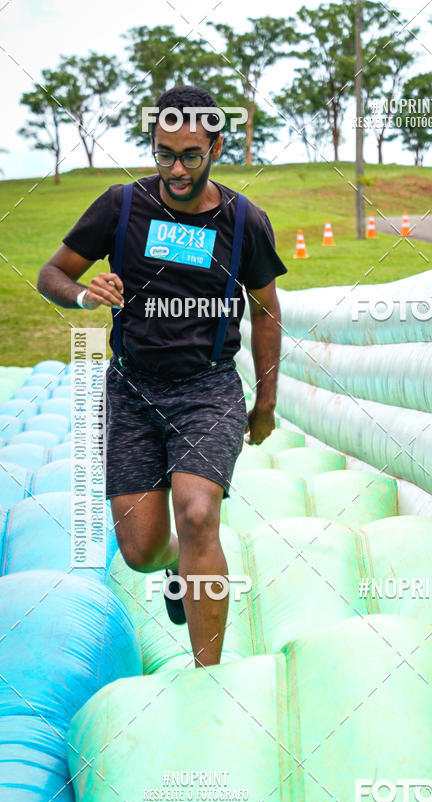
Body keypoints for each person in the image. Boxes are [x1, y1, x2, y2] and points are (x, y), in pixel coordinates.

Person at [37, 85, 287, 668]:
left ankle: (209, 679)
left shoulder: (244, 220)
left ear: (216, 148)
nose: (176, 168)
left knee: (199, 514)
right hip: (131, 389)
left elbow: (267, 309)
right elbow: (54, 273)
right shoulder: (121, 205)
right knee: (141, 551)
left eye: (191, 155)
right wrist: (82, 295)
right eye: (164, 153)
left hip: (207, 389)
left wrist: (267, 401)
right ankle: (173, 562)